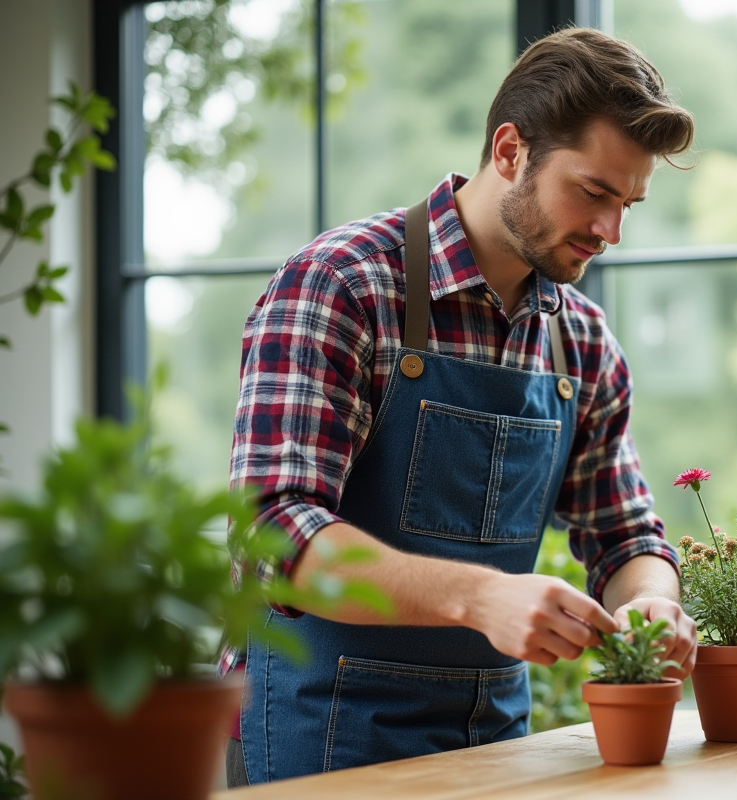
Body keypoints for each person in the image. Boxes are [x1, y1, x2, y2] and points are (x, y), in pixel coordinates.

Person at [219, 26, 699, 786]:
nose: (610, 231)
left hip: (496, 743)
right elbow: (278, 535)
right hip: (319, 733)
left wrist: (650, 602)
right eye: (594, 193)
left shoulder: (581, 341)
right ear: (510, 151)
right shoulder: (341, 285)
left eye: (629, 203)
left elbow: (625, 533)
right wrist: (480, 598)